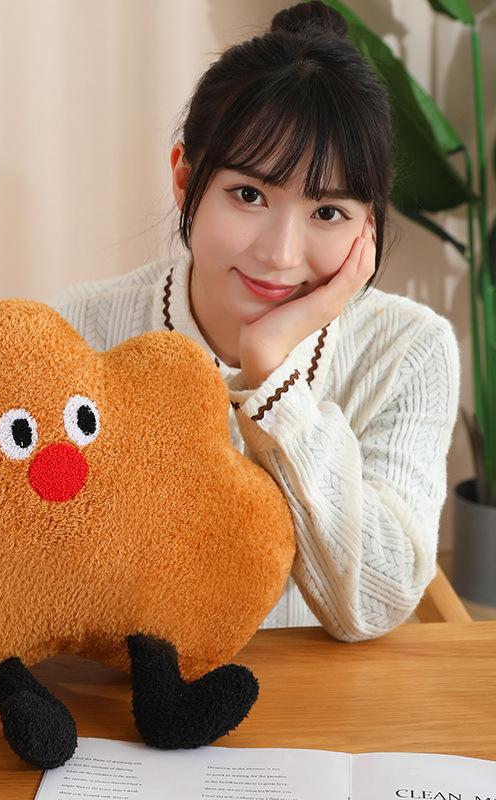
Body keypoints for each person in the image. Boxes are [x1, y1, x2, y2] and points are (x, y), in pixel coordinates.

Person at [47, 0, 461, 642]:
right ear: (185, 180)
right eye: (249, 195)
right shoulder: (78, 328)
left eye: (328, 212)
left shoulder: (410, 351)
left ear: (369, 224)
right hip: (116, 689)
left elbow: (374, 607)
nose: (280, 255)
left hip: (318, 699)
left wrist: (273, 381)